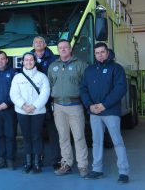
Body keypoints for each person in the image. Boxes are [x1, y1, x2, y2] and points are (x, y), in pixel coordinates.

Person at [80, 42, 130, 184]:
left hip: (110, 111)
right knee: (96, 142)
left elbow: (120, 89)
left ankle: (123, 172)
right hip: (94, 112)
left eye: (102, 52)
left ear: (107, 53)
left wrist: (104, 105)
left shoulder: (116, 68)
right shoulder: (89, 70)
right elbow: (83, 89)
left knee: (117, 141)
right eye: (97, 53)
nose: (100, 55)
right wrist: (89, 105)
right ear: (94, 54)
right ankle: (97, 170)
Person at [48, 40, 88, 177]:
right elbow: (50, 84)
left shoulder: (80, 64)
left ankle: (83, 166)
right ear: (57, 50)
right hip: (58, 107)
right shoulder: (53, 66)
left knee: (79, 137)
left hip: (75, 106)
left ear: (70, 49)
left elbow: (86, 84)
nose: (63, 49)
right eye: (60, 48)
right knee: (63, 137)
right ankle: (66, 163)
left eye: (66, 47)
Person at [10, 52, 50, 174]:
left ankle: (37, 163)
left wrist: (34, 106)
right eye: (26, 60)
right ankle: (28, 162)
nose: (28, 62)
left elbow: (45, 94)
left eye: (31, 60)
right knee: (26, 137)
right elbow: (14, 94)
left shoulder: (42, 77)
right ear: (23, 62)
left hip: (38, 112)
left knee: (37, 136)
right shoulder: (17, 77)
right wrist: (24, 106)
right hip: (22, 112)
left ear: (35, 61)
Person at [31, 36, 61, 169]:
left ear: (45, 44)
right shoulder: (28, 58)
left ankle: (56, 160)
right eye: (36, 42)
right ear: (33, 45)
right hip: (34, 104)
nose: (38, 44)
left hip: (50, 102)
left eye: (40, 42)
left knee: (53, 133)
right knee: (36, 133)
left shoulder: (54, 59)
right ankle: (39, 159)